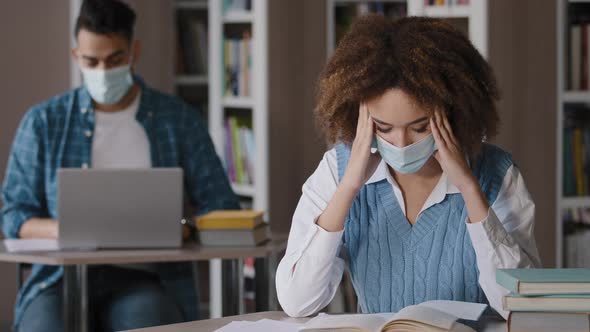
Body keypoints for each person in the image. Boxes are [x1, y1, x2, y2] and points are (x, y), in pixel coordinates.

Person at [276, 15, 541, 319]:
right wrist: (348, 188)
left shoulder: (497, 173)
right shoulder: (338, 172)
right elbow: (298, 301)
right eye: (384, 127)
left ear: (454, 113)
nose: (401, 144)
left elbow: (521, 306)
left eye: (419, 127)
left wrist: (469, 188)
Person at [1, 0, 239, 331]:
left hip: (146, 279)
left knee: (147, 321)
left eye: (114, 59)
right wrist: (69, 227)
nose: (102, 71)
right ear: (76, 57)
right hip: (57, 280)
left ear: (133, 52)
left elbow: (222, 206)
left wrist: (180, 227)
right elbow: (13, 215)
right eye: (91, 61)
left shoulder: (178, 119)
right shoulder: (43, 122)